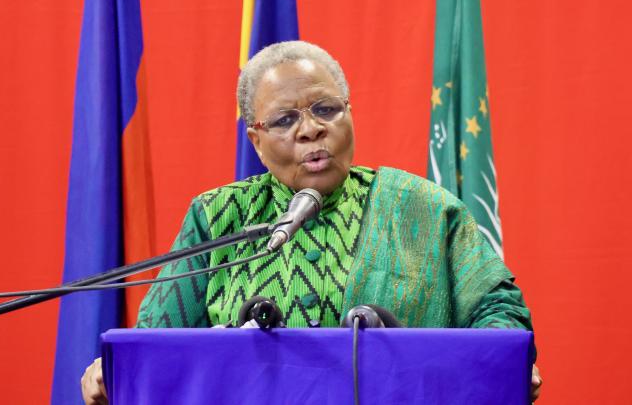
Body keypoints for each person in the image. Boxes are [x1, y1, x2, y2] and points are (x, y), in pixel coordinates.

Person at [82, 41, 542, 404]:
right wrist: (109, 368)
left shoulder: (424, 207)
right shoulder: (220, 217)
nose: (310, 130)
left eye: (325, 110)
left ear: (349, 113)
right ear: (256, 141)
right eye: (284, 120)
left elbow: (499, 311)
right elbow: (155, 343)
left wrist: (505, 360)